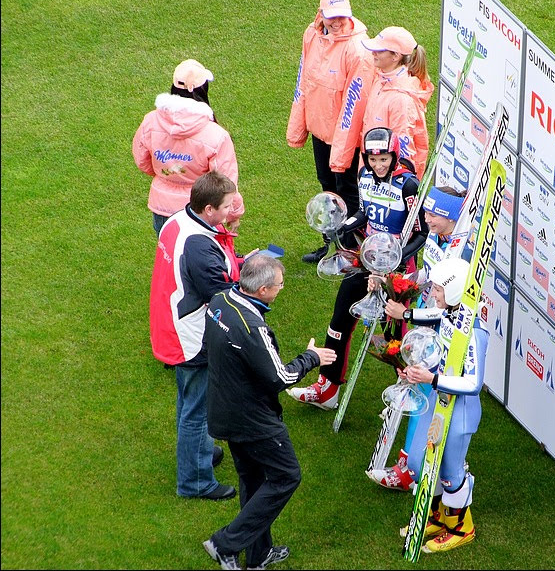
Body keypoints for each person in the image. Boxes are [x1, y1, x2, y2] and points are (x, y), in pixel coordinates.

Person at [202, 255, 336, 570]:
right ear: (262, 290)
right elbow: (280, 377)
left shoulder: (220, 300)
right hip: (254, 420)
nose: (281, 288)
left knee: (253, 480)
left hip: (225, 409)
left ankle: (258, 555)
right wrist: (311, 357)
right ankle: (224, 543)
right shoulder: (252, 327)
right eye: (279, 285)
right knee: (286, 476)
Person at [288, 127, 428, 410]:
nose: (378, 165)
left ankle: (408, 391)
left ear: (394, 156)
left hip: (396, 270)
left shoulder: (408, 186)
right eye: (373, 159)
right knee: (340, 318)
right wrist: (345, 225)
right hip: (365, 258)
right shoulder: (364, 175)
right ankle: (327, 389)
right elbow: (364, 212)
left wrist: (396, 258)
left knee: (394, 334)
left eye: (384, 159)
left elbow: (421, 232)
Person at [150, 171, 256, 501]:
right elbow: (221, 295)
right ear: (208, 209)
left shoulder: (177, 220)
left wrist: (236, 262)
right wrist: (251, 281)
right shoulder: (199, 245)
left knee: (188, 398)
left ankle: (201, 451)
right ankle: (195, 481)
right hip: (192, 335)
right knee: (197, 409)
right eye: (226, 206)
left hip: (172, 323)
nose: (231, 211)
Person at [367, 185, 466, 491]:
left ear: (451, 216)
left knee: (424, 390)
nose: (427, 220)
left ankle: (414, 470)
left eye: (434, 214)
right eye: (426, 213)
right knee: (416, 387)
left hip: (444, 330)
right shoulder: (437, 236)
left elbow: (452, 307)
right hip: (425, 321)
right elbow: (426, 275)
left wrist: (406, 313)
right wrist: (395, 282)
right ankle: (410, 463)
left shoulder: (463, 249)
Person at [398, 257, 488, 553]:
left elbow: (473, 384)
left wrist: (432, 379)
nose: (433, 294)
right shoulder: (449, 314)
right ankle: (437, 517)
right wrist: (418, 370)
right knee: (416, 461)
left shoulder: (474, 331)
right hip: (439, 399)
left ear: (454, 291)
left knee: (450, 472)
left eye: (438, 290)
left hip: (460, 410)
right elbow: (436, 330)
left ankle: (461, 528)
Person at [287, 0, 374, 263]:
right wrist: (299, 126)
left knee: (347, 192)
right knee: (327, 187)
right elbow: (303, 81)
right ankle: (331, 244)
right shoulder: (311, 35)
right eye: (331, 16)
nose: (337, 22)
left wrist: (341, 150)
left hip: (346, 137)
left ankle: (350, 252)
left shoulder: (357, 50)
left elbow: (354, 105)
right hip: (320, 131)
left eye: (342, 16)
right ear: (321, 13)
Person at [133, 58, 245, 236]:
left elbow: (142, 161)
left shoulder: (150, 121)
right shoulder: (216, 134)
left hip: (162, 208)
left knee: (169, 252)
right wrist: (233, 213)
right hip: (200, 211)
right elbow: (225, 182)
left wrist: (167, 175)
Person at [361, 26, 434, 179]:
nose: (373, 53)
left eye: (379, 51)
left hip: (387, 179)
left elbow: (404, 149)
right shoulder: (381, 79)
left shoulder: (401, 99)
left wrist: (398, 183)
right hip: (375, 168)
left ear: (395, 56)